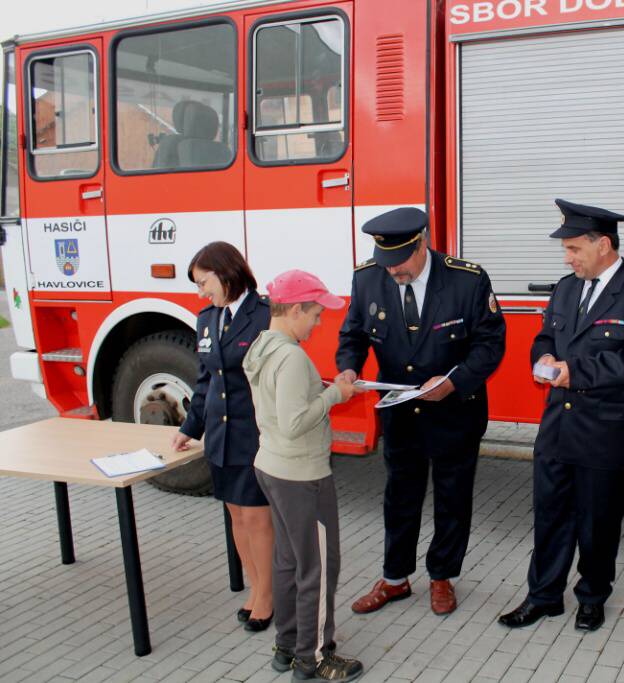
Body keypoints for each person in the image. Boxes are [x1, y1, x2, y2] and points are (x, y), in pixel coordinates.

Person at [498, 199, 624, 632]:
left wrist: (576, 373)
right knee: (550, 516)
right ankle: (543, 596)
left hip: (607, 433)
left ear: (604, 245)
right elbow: (543, 337)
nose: (568, 257)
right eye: (566, 250)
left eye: (574, 248)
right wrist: (546, 356)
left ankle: (592, 596)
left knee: (598, 523)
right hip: (558, 429)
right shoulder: (566, 287)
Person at [335, 207, 506, 616]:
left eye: (401, 262)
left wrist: (453, 381)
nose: (393, 271)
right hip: (400, 414)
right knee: (400, 497)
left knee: (452, 497)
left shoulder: (467, 279)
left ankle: (442, 576)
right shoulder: (367, 278)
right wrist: (349, 367)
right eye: (386, 263)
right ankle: (394, 579)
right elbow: (353, 334)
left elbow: (490, 344)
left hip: (454, 410)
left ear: (422, 243)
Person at [244, 269, 363, 682]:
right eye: (314, 314)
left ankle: (286, 646)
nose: (318, 322)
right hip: (302, 474)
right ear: (294, 310)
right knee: (318, 569)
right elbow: (295, 422)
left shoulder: (264, 345)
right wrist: (335, 394)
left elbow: (282, 406)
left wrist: (323, 389)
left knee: (287, 562)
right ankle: (314, 658)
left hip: (271, 466)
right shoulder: (293, 356)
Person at [171, 241, 274, 631]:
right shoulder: (206, 319)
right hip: (220, 434)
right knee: (235, 514)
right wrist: (189, 428)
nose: (201, 293)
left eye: (204, 282)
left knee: (257, 516)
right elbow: (205, 381)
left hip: (255, 433)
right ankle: (255, 586)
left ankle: (268, 595)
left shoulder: (264, 315)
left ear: (226, 271)